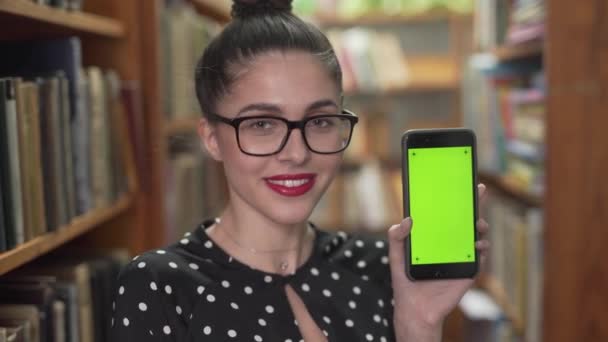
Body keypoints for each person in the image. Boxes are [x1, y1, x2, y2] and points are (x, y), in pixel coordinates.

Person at [111, 0, 490, 341]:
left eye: (320, 121)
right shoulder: (159, 286)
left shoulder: (380, 268)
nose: (297, 153)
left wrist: (419, 325)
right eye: (262, 124)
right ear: (211, 138)